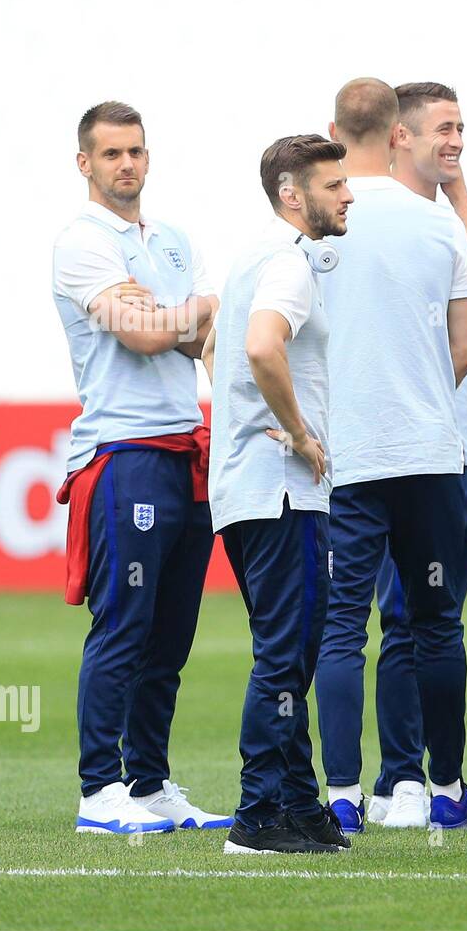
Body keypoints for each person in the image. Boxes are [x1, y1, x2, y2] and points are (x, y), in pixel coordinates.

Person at [313, 79, 467, 834]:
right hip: (427, 456)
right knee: (434, 623)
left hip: (347, 458)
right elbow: (462, 348)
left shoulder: (316, 229)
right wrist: (413, 398)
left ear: (333, 132)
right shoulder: (437, 225)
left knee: (343, 627)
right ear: (395, 134)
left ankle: (347, 793)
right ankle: (442, 785)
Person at [53, 100, 229, 835]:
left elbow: (186, 336)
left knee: (171, 631)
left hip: (184, 448)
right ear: (85, 163)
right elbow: (143, 334)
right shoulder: (82, 242)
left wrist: (175, 315)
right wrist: (193, 311)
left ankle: (150, 781)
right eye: (112, 153)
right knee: (123, 623)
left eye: (136, 151)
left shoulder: (172, 240)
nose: (127, 164)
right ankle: (100, 789)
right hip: (125, 454)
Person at [208, 134, 354, 855]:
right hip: (281, 492)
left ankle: (298, 803)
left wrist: (248, 420)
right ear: (293, 195)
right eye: (333, 184)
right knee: (286, 653)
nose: (348, 194)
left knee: (287, 650)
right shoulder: (290, 262)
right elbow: (261, 347)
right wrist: (296, 432)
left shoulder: (254, 257)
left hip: (245, 488)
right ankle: (256, 814)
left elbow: (214, 347)